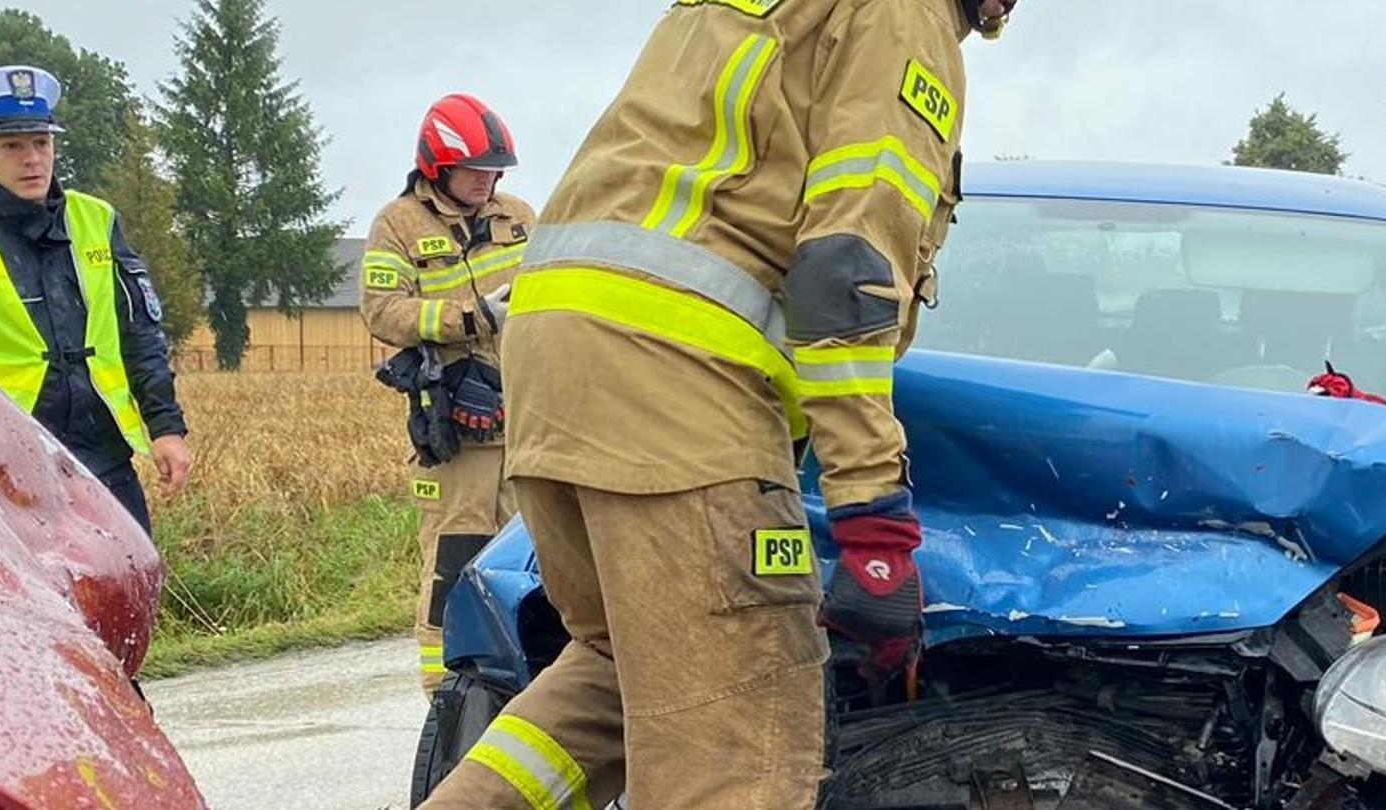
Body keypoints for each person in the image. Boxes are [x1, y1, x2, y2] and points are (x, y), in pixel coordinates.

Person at [420, 0, 1021, 806]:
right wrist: (873, 518)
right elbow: (845, 274)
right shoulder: (901, 15)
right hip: (675, 384)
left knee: (613, 672)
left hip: (555, 371)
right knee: (740, 752)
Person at [0, 65, 190, 533]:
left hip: (102, 452)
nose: (32, 159)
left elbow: (140, 333)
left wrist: (166, 427)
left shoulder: (97, 220)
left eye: (41, 143)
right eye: (12, 146)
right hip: (3, 458)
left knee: (129, 587)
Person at [362, 92, 536, 696]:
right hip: (457, 430)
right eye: (476, 171)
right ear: (438, 166)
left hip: (526, 423)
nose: (488, 182)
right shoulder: (398, 225)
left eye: (495, 171)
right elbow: (383, 312)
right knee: (454, 565)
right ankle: (447, 705)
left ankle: (527, 686)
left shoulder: (517, 216)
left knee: (533, 559)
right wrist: (473, 317)